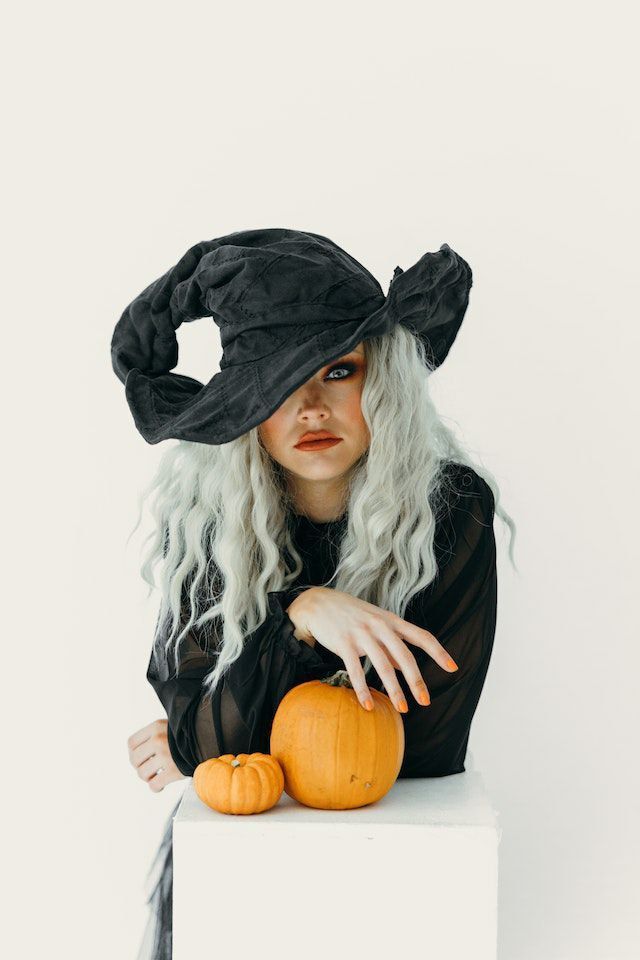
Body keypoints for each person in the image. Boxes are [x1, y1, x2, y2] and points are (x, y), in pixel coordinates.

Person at [113, 229, 517, 960]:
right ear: (244, 406)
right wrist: (301, 616)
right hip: (241, 881)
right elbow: (202, 733)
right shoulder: (206, 523)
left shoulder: (453, 514)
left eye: (338, 369)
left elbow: (422, 747)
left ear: (381, 379)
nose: (308, 406)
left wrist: (224, 724)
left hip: (399, 873)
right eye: (276, 380)